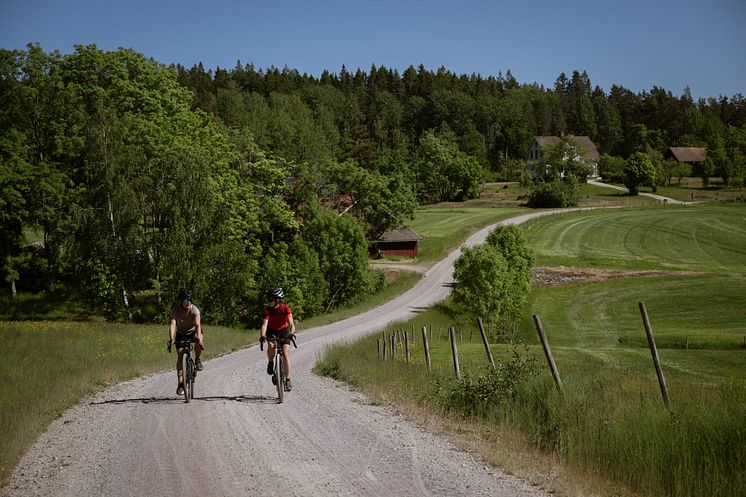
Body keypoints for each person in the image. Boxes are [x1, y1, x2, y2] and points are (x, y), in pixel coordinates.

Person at [167, 289, 204, 396]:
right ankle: (181, 384)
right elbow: (172, 325)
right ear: (180, 302)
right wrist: (171, 338)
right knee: (180, 356)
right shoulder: (175, 310)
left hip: (193, 331)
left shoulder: (194, 310)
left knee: (199, 338)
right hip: (181, 333)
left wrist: (198, 338)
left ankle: (197, 359)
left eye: (189, 300)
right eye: (185, 301)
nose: (187, 302)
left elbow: (198, 325)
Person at [259, 287, 296, 391]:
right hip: (272, 331)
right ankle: (271, 362)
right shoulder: (267, 310)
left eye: (270, 299)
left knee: (285, 352)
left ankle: (288, 380)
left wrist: (292, 333)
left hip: (284, 330)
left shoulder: (285, 308)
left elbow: (291, 323)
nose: (268, 301)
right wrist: (262, 335)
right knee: (271, 346)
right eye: (268, 299)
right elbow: (264, 325)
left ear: (277, 300)